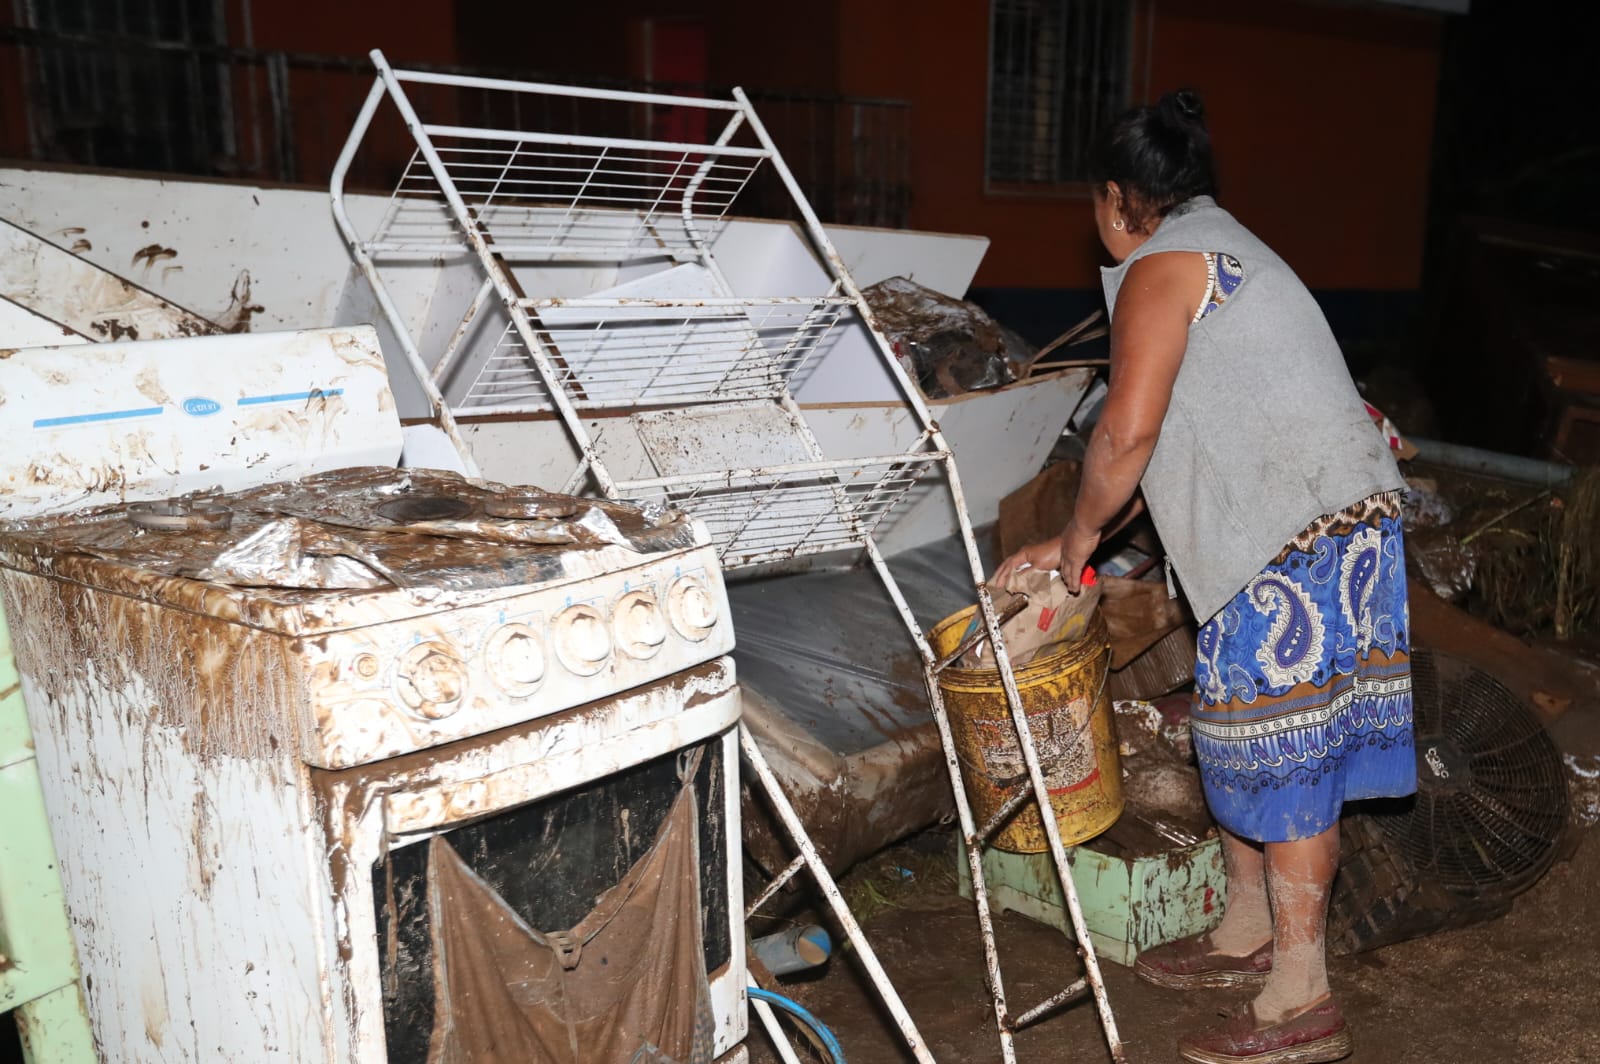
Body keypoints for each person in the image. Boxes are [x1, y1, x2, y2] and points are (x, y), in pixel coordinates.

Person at [993, 89, 1416, 1064]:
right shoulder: (1222, 249)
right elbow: (1175, 442)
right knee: (1238, 729)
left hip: (1299, 532)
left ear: (1115, 197)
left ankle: (1301, 996)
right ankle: (1244, 928)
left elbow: (1126, 433)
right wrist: (1075, 543)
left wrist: (1076, 539)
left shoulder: (1160, 266)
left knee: (1289, 750)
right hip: (1314, 520)